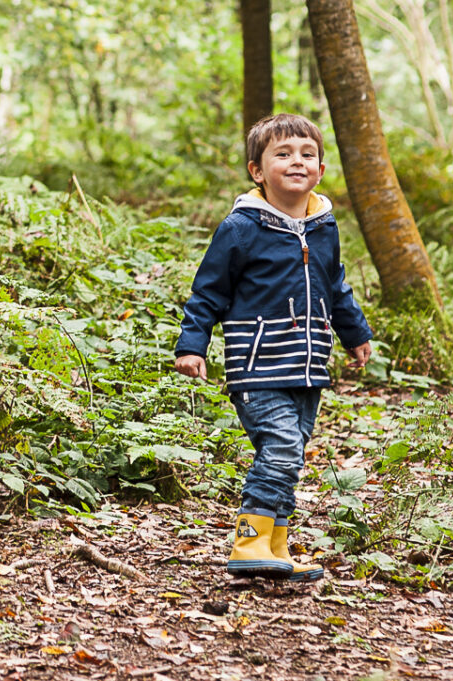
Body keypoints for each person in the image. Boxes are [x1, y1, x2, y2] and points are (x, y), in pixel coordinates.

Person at [174, 113, 373, 581]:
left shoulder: (324, 226)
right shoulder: (242, 227)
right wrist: (193, 345)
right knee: (281, 447)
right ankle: (248, 542)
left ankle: (275, 546)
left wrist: (355, 332)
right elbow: (208, 291)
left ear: (321, 171)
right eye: (282, 154)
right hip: (257, 363)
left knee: (290, 455)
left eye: (307, 154)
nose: (296, 162)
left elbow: (335, 285)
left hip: (308, 367)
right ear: (257, 171)